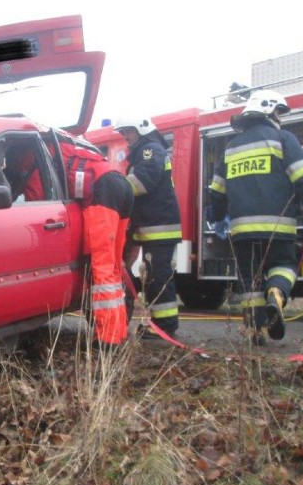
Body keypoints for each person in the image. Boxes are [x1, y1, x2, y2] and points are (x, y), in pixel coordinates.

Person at [208, 90, 303, 345]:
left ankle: (256, 330)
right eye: (279, 112)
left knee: (249, 279)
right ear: (270, 111)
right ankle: (276, 292)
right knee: (284, 266)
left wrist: (219, 218)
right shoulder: (282, 138)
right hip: (278, 227)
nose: (280, 118)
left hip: (242, 231)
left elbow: (217, 191)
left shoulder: (231, 148)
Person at [15, 137, 134, 346]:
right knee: (113, 267)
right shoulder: (57, 145)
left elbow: (37, 202)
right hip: (120, 184)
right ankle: (117, 330)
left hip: (104, 190)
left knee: (101, 267)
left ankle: (108, 338)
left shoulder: (32, 159)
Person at [113, 117, 182, 339]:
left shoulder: (150, 150)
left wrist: (112, 187)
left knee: (158, 277)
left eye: (128, 131)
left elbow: (142, 183)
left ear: (142, 128)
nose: (125, 137)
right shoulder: (145, 151)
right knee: (148, 276)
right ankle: (153, 322)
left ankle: (165, 326)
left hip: (158, 226)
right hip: (149, 225)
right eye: (123, 132)